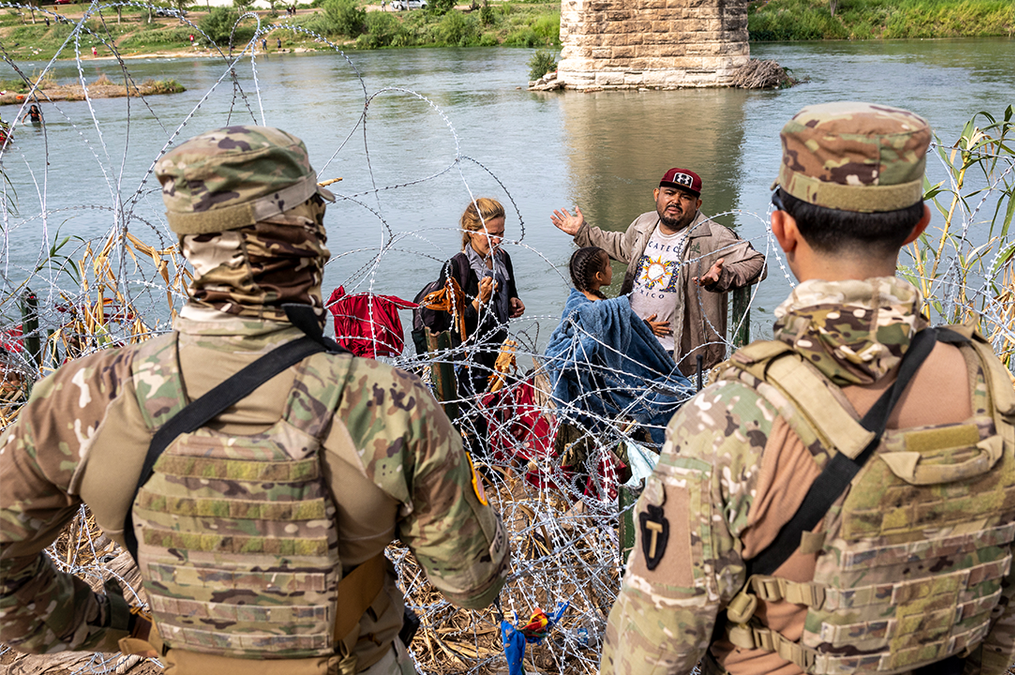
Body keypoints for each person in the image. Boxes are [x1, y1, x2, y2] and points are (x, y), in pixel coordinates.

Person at [0, 126, 510, 675]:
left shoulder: (85, 396)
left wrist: (120, 627)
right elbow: (471, 583)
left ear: (187, 243)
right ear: (306, 236)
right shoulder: (384, 402)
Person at [600, 102, 1015, 675]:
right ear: (917, 226)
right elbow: (1009, 618)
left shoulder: (728, 417)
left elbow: (649, 652)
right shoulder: (992, 393)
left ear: (782, 229)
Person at [551, 168, 765, 377]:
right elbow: (623, 247)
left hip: (682, 354)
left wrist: (723, 277)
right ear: (657, 194)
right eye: (669, 193)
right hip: (633, 340)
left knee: (674, 409)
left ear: (697, 204)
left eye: (685, 197)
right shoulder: (644, 223)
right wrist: (582, 232)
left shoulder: (713, 236)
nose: (675, 201)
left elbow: (757, 262)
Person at [544, 246, 691, 447]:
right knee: (668, 397)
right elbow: (616, 346)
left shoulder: (578, 303)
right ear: (598, 275)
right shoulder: (601, 311)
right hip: (610, 384)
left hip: (601, 381)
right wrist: (641, 329)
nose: (612, 270)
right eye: (609, 266)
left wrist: (642, 326)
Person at [430, 197, 525, 397]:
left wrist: (514, 303)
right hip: (470, 365)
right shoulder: (456, 268)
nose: (498, 240)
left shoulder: (503, 259)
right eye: (491, 235)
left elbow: (511, 294)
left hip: (499, 356)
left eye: (501, 233)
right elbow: (453, 327)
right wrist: (479, 301)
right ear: (471, 231)